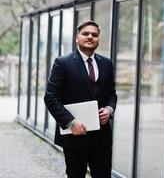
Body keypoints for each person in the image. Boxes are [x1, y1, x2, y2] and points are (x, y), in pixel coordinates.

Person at [44, 20, 117, 178]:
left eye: (94, 35)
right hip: (75, 135)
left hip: (101, 136)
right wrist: (71, 123)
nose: (90, 37)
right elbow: (50, 97)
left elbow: (112, 94)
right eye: (86, 34)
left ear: (98, 39)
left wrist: (109, 110)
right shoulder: (63, 63)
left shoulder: (107, 64)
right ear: (77, 38)